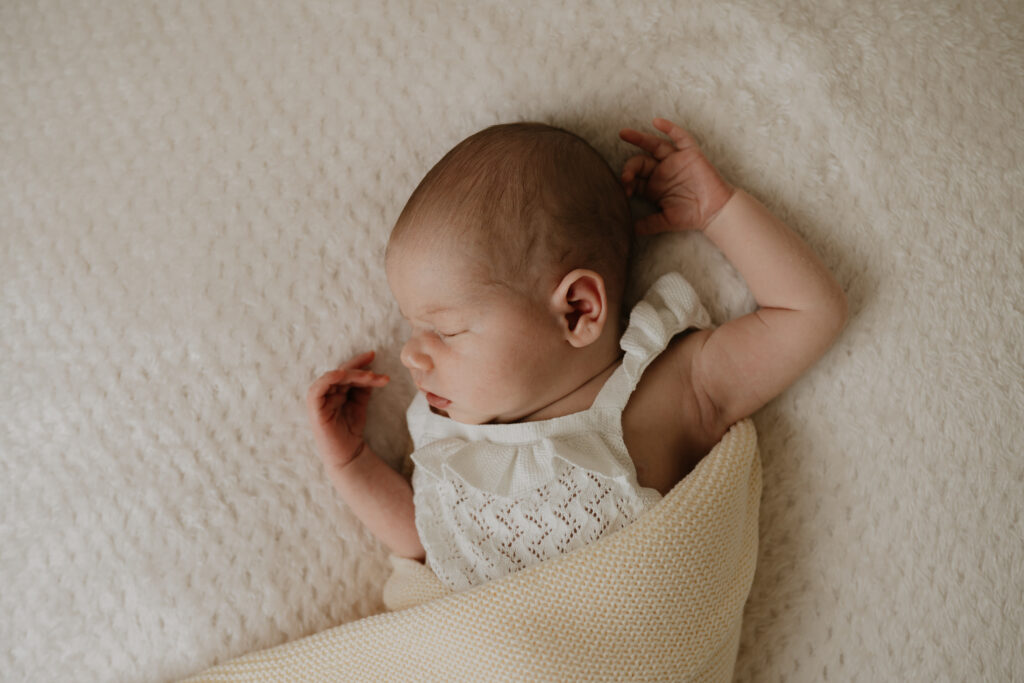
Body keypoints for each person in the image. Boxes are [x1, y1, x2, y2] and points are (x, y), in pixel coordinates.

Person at [306, 118, 847, 591]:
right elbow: (433, 547)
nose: (410, 356)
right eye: (413, 328)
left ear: (578, 311)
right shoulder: (445, 438)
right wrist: (350, 463)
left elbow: (808, 314)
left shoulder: (668, 389)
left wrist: (719, 212)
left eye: (445, 331)